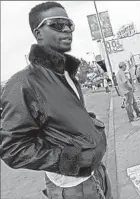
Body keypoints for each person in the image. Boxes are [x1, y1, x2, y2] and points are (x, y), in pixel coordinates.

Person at [0, 2, 113, 199]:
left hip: (97, 173)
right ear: (39, 33)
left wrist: (91, 126)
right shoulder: (24, 83)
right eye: (57, 24)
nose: (67, 29)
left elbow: (62, 120)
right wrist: (72, 160)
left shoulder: (66, 73)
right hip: (71, 188)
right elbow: (12, 148)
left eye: (70, 24)